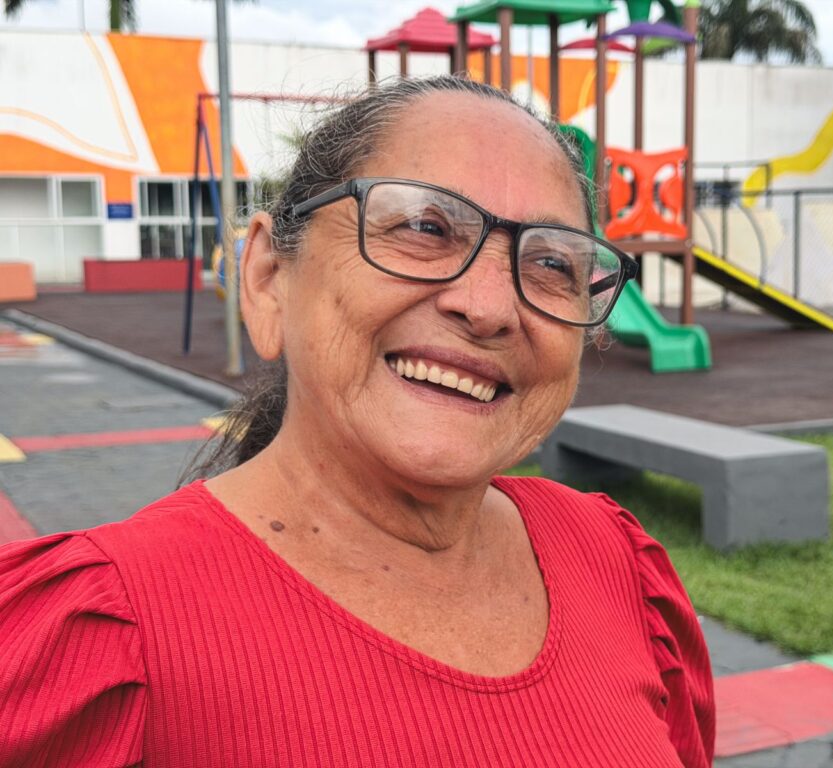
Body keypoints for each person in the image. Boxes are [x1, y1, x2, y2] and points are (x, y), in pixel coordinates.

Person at [0, 76, 715, 767]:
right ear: (269, 280)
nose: (490, 306)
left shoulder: (618, 566)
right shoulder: (98, 642)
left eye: (552, 264)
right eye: (425, 227)